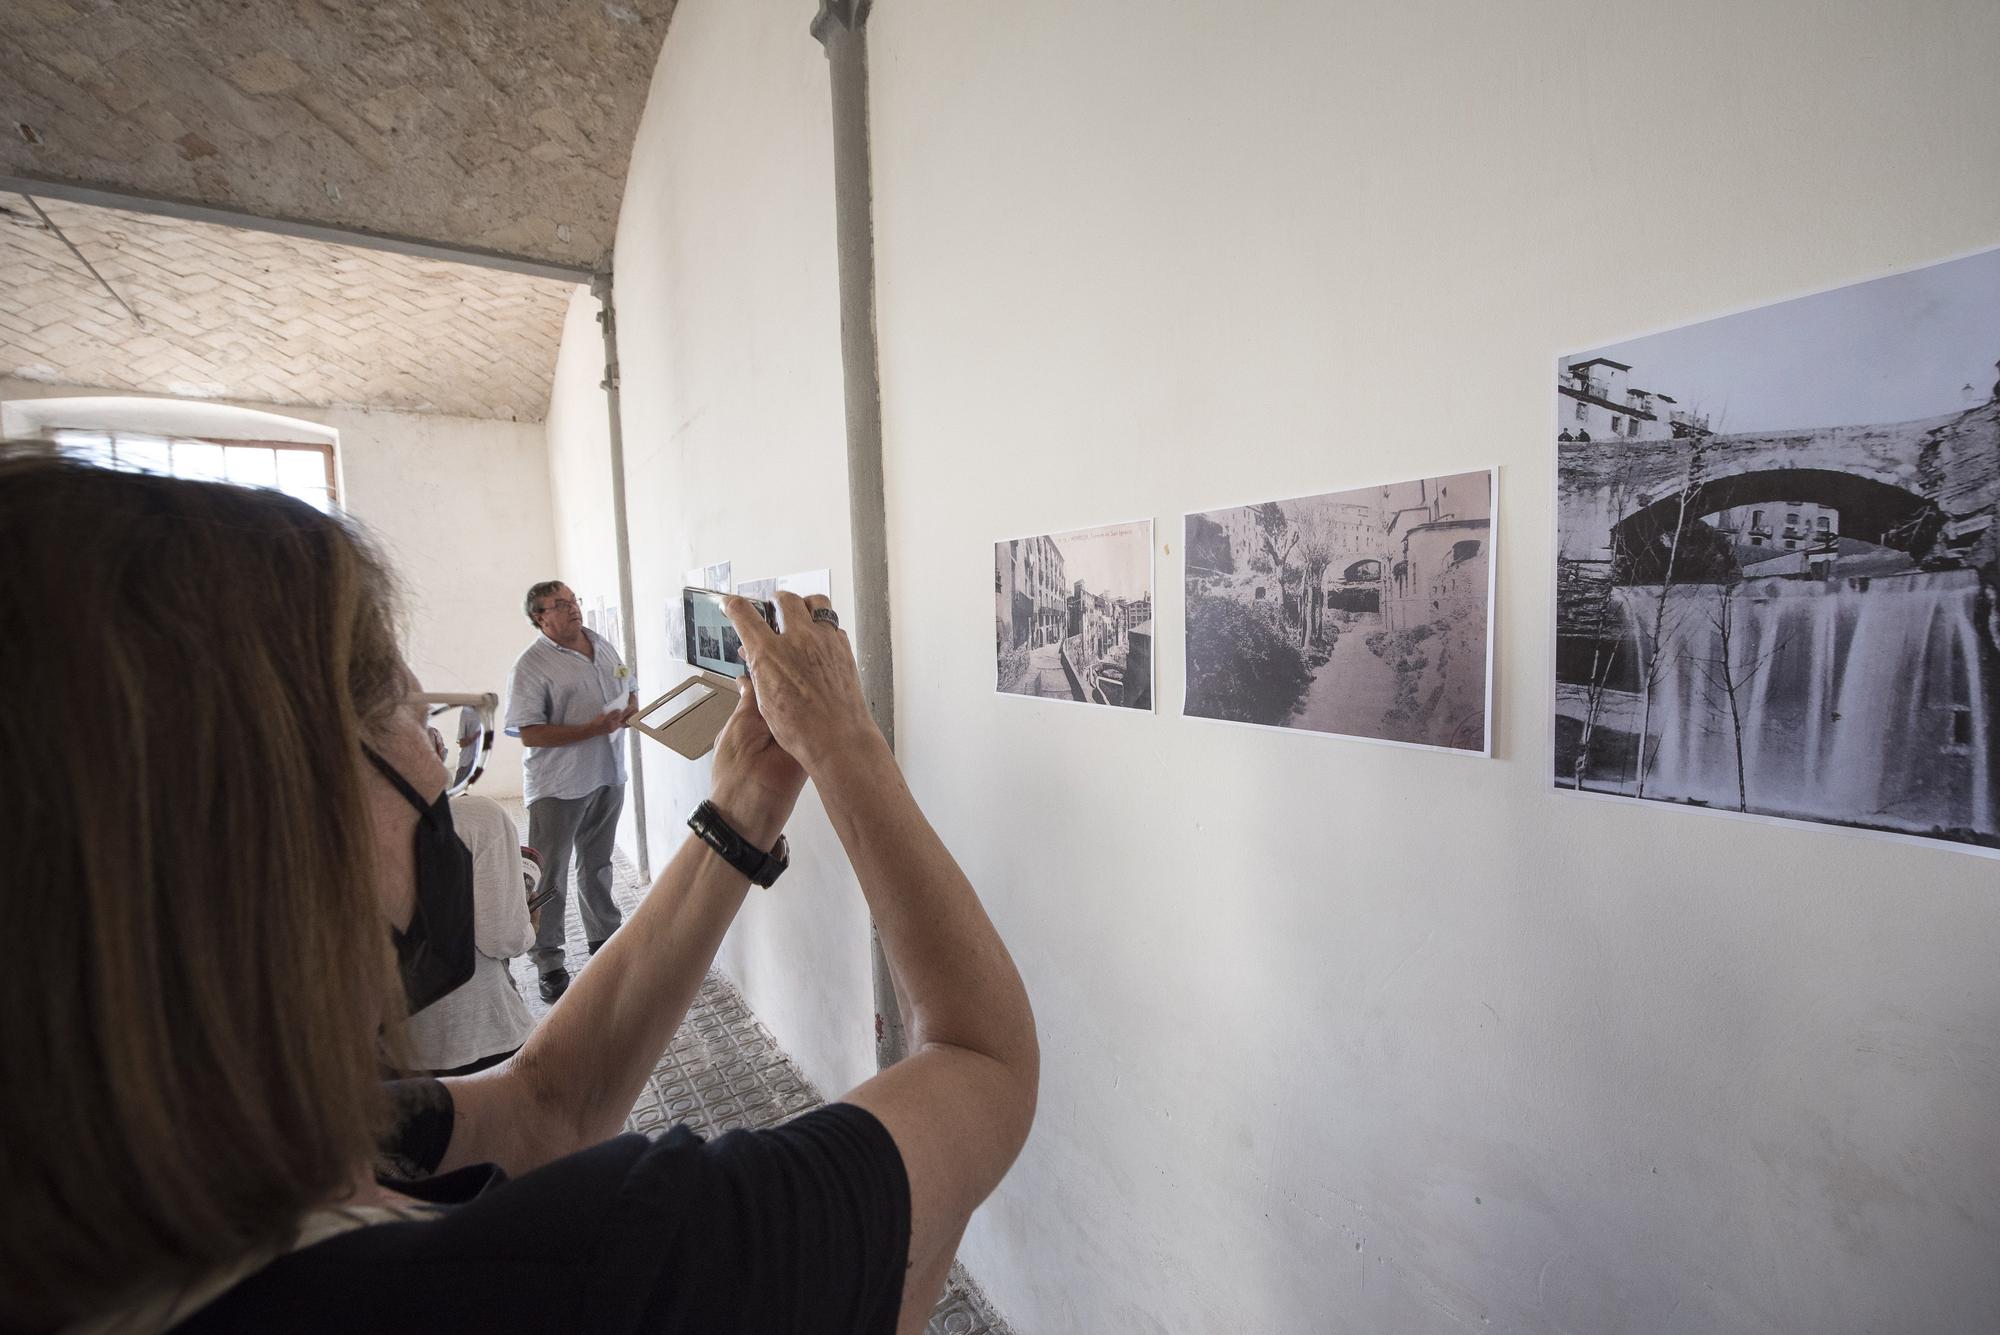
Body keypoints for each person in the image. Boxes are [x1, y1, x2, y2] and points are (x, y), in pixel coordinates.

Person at [0, 453, 1037, 1334]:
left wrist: (742, 809)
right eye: (405, 711)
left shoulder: (227, 1162)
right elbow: (983, 1063)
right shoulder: (611, 1268)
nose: (433, 751)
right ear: (264, 821)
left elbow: (548, 1106)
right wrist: (843, 741)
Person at [504, 580, 636, 1002]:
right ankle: (549, 963)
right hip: (557, 787)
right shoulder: (531, 665)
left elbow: (625, 684)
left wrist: (631, 702)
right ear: (539, 617)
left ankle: (605, 943)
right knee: (550, 877)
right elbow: (530, 733)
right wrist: (590, 729)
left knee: (597, 866)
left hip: (607, 775)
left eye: (573, 600)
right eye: (559, 605)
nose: (572, 609)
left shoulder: (601, 643)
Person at [397, 727, 538, 1076]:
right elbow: (503, 939)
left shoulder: (323, 830)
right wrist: (531, 914)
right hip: (480, 1034)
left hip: (390, 1050)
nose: (436, 733)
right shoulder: (477, 819)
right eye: (422, 720)